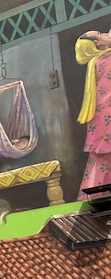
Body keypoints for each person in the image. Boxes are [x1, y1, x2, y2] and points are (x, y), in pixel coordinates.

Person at [75, 31, 111, 199]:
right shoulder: (107, 59)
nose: (104, 33)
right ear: (98, 43)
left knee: (101, 165)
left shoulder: (96, 62)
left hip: (101, 119)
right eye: (100, 33)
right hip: (107, 117)